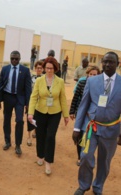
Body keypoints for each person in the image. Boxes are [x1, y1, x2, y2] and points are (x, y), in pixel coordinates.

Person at [72, 51, 121, 195]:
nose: (107, 64)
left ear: (117, 64)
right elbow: (83, 105)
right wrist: (76, 128)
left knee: (104, 161)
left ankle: (98, 186)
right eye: (105, 61)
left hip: (111, 130)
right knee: (86, 156)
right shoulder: (92, 81)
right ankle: (83, 185)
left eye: (111, 62)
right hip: (91, 127)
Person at [28, 56, 69, 175]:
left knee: (50, 136)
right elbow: (34, 97)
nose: (49, 70)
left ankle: (48, 161)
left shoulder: (60, 81)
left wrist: (66, 115)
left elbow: (62, 98)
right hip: (40, 111)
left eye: (51, 68)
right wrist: (30, 113)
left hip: (55, 113)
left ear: (55, 68)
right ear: (44, 68)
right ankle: (40, 155)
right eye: (47, 68)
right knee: (40, 135)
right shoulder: (39, 80)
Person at [0, 50, 31, 156]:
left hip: (19, 99)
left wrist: (28, 104)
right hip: (8, 97)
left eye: (16, 59)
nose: (14, 60)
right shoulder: (5, 69)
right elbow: (0, 85)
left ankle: (18, 145)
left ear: (19, 59)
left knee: (19, 121)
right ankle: (7, 141)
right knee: (6, 120)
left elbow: (28, 88)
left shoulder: (25, 70)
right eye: (12, 58)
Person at [69, 66, 101, 166]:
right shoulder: (82, 82)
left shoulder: (100, 86)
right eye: (90, 74)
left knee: (89, 136)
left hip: (92, 117)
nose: (92, 76)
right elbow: (75, 97)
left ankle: (87, 155)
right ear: (87, 74)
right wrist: (72, 111)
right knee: (79, 135)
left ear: (98, 75)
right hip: (81, 113)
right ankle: (79, 156)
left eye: (94, 74)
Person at [27, 60, 44, 146]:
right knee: (30, 118)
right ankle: (29, 137)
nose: (39, 69)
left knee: (38, 118)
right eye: (37, 68)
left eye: (40, 68)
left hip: (41, 102)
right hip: (31, 101)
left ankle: (35, 131)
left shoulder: (44, 79)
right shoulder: (31, 78)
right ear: (35, 68)